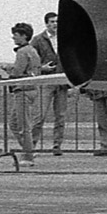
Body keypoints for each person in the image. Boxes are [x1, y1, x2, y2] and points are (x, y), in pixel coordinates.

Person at [4, 22, 43, 167]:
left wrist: (9, 71)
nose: (13, 37)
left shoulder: (22, 52)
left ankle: (28, 156)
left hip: (23, 90)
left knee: (21, 125)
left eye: (16, 34)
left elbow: (17, 73)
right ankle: (29, 150)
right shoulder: (32, 50)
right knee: (15, 123)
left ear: (24, 36)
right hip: (31, 89)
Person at [29, 11, 67, 156]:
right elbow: (31, 57)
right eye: (52, 22)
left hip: (62, 81)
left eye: (57, 21)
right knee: (40, 115)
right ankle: (31, 144)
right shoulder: (38, 39)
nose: (55, 24)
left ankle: (57, 145)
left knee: (61, 116)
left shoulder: (65, 38)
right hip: (46, 81)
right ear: (46, 24)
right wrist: (41, 68)